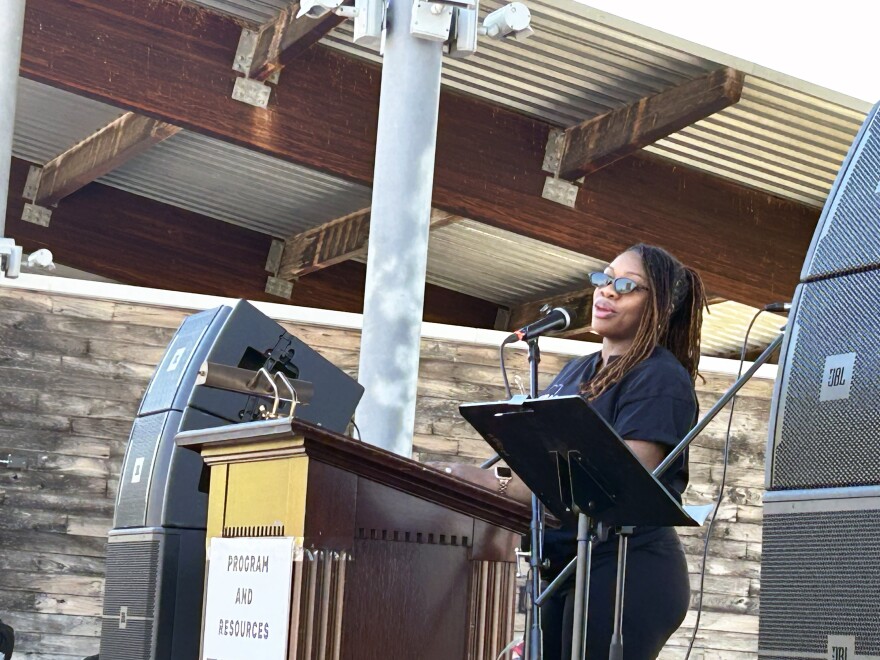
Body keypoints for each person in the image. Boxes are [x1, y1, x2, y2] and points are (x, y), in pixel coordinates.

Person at [434, 243, 705, 659]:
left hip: (624, 571)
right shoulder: (578, 370)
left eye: (626, 285)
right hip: (564, 566)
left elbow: (619, 482)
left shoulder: (660, 377)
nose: (607, 291)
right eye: (603, 278)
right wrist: (480, 480)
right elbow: (534, 461)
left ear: (661, 305)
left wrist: (494, 485)